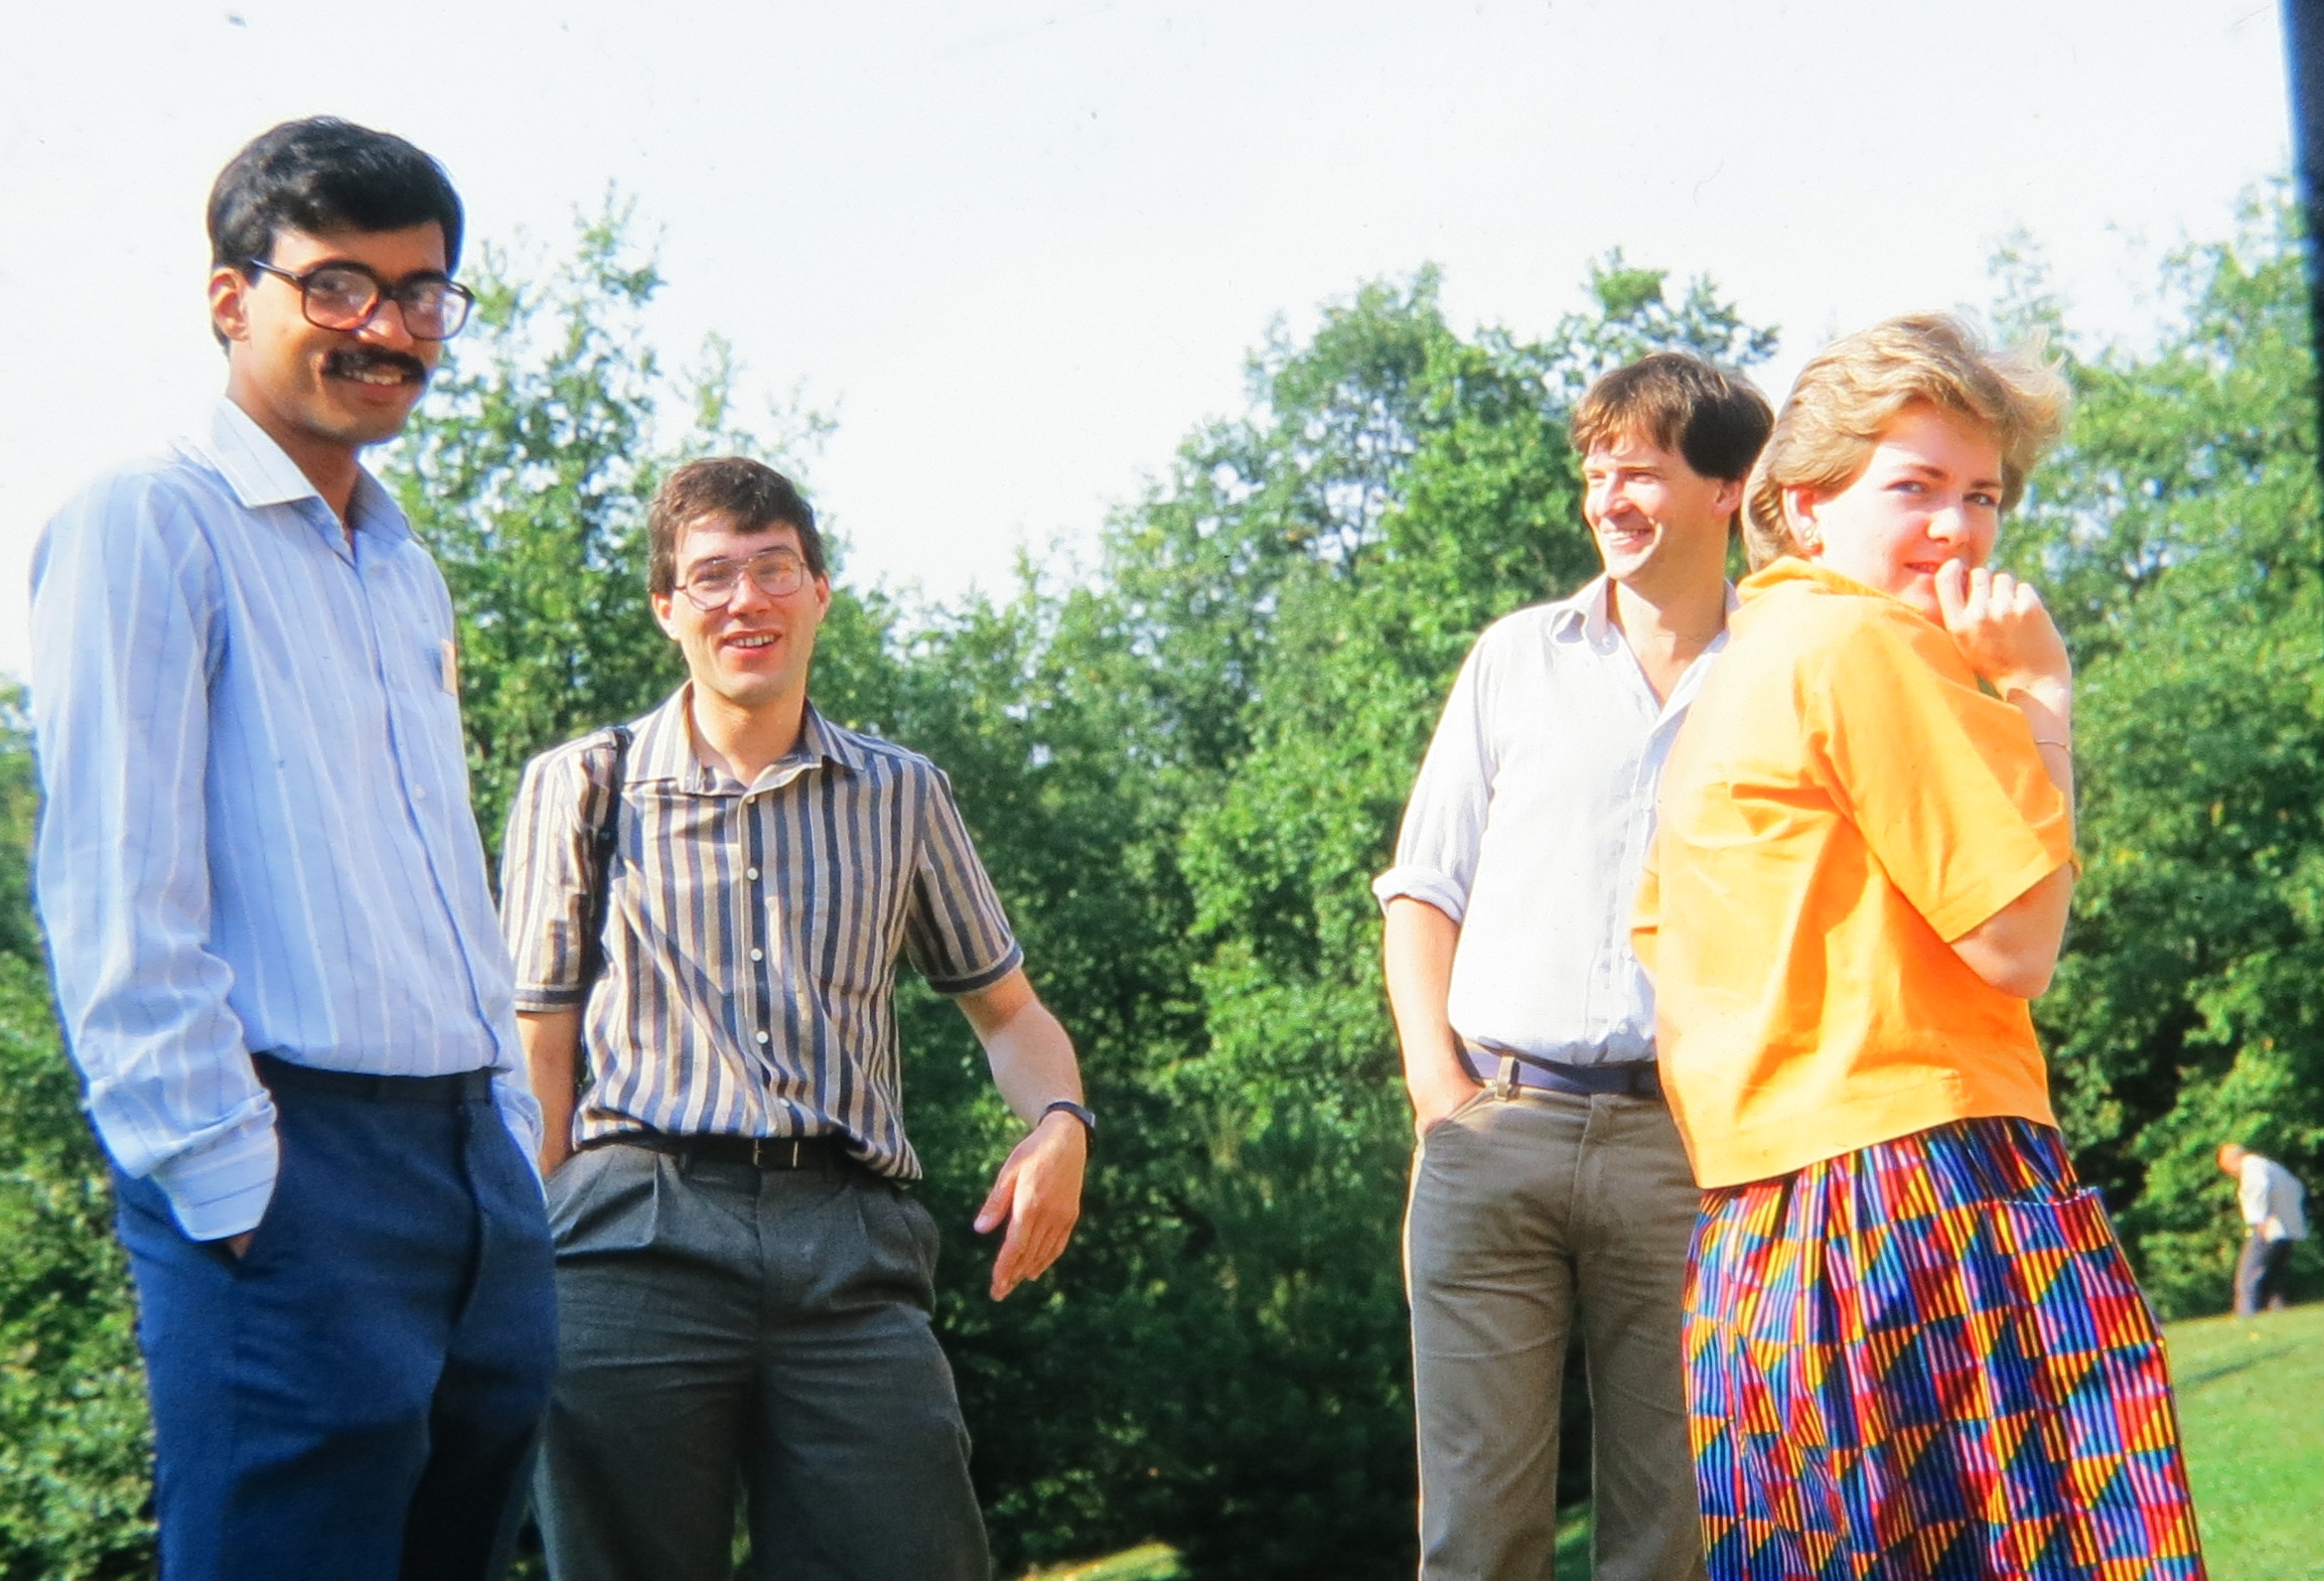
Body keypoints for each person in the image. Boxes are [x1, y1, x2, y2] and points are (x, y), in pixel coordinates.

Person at [28, 118, 554, 1581]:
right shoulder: (148, 521)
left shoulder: (403, 565)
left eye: (421, 291)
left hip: (471, 1168)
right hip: (286, 1164)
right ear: (229, 298)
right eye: (336, 285)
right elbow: (117, 895)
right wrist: (226, 1178)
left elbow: (438, 878)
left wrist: (509, 1143)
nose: (386, 328)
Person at [1636, 314, 2207, 1580]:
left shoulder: (1740, 672)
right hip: (1925, 1193)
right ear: (1805, 503)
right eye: (1915, 486)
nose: (1957, 527)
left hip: (1764, 1240)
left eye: (1982, 494)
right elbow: (2018, 940)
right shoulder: (1863, 643)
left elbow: (1663, 943)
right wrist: (2040, 695)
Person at [500, 456, 1091, 1581]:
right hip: (629, 1235)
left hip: (850, 1243)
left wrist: (1062, 1121)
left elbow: (1011, 1014)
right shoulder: (581, 785)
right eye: (712, 575)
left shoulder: (902, 792)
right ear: (667, 605)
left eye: (774, 568)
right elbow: (538, 1055)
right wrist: (512, 1272)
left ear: (819, 591)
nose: (746, 600)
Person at [1376, 353, 1772, 1581]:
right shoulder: (1515, 657)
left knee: (1672, 1537)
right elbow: (1422, 888)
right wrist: (1442, 1097)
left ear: (1727, 488)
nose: (1608, 498)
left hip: (1689, 1152)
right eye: (1596, 473)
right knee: (1478, 1538)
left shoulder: (1781, 672)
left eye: (1640, 472)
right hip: (1496, 1128)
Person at [2217, 1143, 2307, 1316]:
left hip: (2268, 1228)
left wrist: (2259, 1220)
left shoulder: (2252, 1167)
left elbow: (2259, 1188)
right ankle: (2278, 1311)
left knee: (2248, 1276)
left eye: (2227, 1167)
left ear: (2234, 1159)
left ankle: (2247, 1314)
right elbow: (2297, 1188)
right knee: (2274, 1277)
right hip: (2287, 1230)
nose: (2230, 1173)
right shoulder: (2272, 1167)